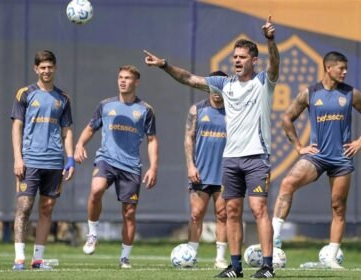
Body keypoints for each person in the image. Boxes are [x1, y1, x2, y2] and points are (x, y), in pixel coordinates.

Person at [144, 16, 279, 279]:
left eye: (242, 57)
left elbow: (275, 64)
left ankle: (267, 266)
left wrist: (270, 40)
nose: (237, 61)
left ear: (254, 60)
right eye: (234, 57)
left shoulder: (264, 82)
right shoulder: (224, 84)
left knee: (259, 209)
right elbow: (189, 79)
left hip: (256, 157)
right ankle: (236, 267)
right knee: (232, 211)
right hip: (231, 159)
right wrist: (164, 65)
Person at [271, 51, 361, 269]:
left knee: (338, 207)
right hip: (317, 157)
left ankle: (331, 257)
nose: (345, 72)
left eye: (346, 68)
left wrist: (360, 141)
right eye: (342, 68)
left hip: (341, 159)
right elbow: (286, 118)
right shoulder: (309, 93)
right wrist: (299, 147)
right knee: (286, 184)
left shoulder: (351, 94)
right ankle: (273, 243)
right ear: (328, 68)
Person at [74, 65, 158, 269]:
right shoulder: (105, 105)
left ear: (136, 82)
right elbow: (90, 128)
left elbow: (152, 140)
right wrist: (79, 145)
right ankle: (93, 234)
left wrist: (153, 167)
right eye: (120, 77)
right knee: (96, 190)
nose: (123, 81)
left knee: (129, 213)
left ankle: (124, 258)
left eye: (127, 78)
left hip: (131, 167)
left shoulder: (145, 110)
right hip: (107, 160)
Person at [11, 50, 75, 270]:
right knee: (24, 206)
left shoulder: (63, 98)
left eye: (50, 67)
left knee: (47, 209)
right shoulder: (25, 94)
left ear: (55, 68)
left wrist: (70, 159)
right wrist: (18, 158)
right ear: (36, 69)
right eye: (43, 67)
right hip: (30, 161)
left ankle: (37, 260)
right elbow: (17, 127)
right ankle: (19, 258)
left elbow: (67, 130)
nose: (46, 71)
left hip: (54, 162)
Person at [185, 70, 228, 269]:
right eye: (213, 87)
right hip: (200, 172)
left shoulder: (233, 111)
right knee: (196, 214)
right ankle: (190, 254)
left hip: (225, 174)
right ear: (208, 87)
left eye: (221, 87)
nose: (217, 91)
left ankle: (220, 258)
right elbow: (188, 138)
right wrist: (190, 165)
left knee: (222, 215)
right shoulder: (197, 109)